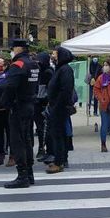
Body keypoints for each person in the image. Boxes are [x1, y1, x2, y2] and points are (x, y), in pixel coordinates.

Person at [1, 38, 40, 188]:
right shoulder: (33, 64)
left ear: (18, 49)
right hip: (30, 104)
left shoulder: (18, 65)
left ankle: (22, 175)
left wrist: (5, 103)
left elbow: (10, 87)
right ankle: (29, 174)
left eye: (12, 48)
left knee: (18, 141)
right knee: (27, 140)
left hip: (19, 106)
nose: (11, 52)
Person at [46, 46, 75, 174]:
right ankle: (59, 159)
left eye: (55, 54)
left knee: (58, 135)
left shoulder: (65, 70)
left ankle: (59, 162)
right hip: (56, 107)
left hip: (59, 108)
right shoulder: (60, 69)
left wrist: (57, 106)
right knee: (57, 135)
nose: (53, 56)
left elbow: (65, 90)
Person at [33, 52, 53, 164]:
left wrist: (41, 98)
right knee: (40, 128)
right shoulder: (40, 72)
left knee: (43, 128)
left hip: (43, 103)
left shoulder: (47, 72)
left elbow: (48, 90)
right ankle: (43, 148)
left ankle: (43, 148)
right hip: (38, 102)